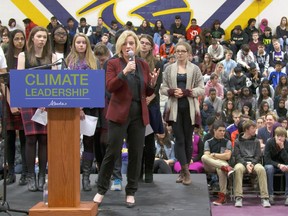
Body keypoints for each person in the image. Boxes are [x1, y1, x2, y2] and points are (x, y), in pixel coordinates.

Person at [93, 30, 159, 207]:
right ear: (120, 46)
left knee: (136, 154)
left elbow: (146, 91)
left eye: (132, 43)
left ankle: (131, 191)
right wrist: (123, 72)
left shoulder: (143, 64)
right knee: (112, 151)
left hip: (138, 113)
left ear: (135, 46)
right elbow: (110, 87)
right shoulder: (112, 63)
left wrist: (152, 84)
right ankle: (101, 189)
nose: (129, 46)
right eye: (125, 43)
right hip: (118, 113)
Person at [17, 26, 57, 191]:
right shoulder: (23, 55)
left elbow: (55, 82)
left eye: (44, 37)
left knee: (44, 139)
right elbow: (20, 80)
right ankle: (30, 177)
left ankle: (42, 176)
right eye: (39, 36)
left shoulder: (52, 56)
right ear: (32, 38)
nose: (42, 39)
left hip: (47, 103)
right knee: (31, 139)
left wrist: (47, 101)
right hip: (29, 101)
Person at [161, 41, 204, 185]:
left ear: (188, 53)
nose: (180, 53)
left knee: (188, 140)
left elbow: (201, 89)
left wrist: (186, 92)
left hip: (190, 108)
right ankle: (186, 172)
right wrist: (172, 91)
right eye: (177, 51)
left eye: (183, 51)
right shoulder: (168, 69)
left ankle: (183, 171)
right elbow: (163, 88)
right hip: (174, 108)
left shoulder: (195, 69)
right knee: (179, 139)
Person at [66, 32, 97, 191]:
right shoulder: (67, 62)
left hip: (90, 107)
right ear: (74, 44)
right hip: (71, 106)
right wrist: (77, 106)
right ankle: (70, 175)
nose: (81, 45)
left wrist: (83, 107)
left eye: (83, 43)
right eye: (78, 42)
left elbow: (94, 86)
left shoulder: (93, 62)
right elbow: (67, 86)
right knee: (70, 142)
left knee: (88, 142)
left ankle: (86, 177)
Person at [138, 34, 163, 183]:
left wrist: (148, 99)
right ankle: (137, 172)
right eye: (142, 42)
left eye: (147, 43)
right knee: (135, 140)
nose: (144, 45)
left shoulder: (157, 63)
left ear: (152, 46)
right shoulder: (132, 60)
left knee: (149, 141)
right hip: (136, 104)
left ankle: (148, 172)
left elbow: (158, 84)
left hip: (151, 104)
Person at [3, 29, 27, 185]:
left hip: (25, 100)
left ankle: (26, 172)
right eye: (16, 39)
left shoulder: (27, 58)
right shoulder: (5, 59)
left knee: (26, 138)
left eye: (22, 39)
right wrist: (12, 103)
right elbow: (2, 83)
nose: (19, 41)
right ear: (11, 41)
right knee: (9, 137)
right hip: (8, 100)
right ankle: (10, 171)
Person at [233, 120, 271, 208]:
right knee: (237, 168)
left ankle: (265, 198)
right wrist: (246, 164)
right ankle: (238, 197)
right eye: (253, 128)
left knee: (261, 169)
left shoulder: (257, 141)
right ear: (246, 129)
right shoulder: (237, 141)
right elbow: (237, 156)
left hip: (254, 162)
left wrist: (252, 164)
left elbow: (258, 155)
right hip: (242, 163)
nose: (255, 130)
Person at [201, 120, 234, 206]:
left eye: (224, 131)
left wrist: (214, 154)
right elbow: (206, 156)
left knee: (221, 170)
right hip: (210, 165)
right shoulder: (208, 142)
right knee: (203, 157)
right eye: (220, 130)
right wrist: (221, 156)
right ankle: (226, 168)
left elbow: (228, 156)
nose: (222, 132)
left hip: (222, 165)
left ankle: (222, 197)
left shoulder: (228, 142)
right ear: (214, 130)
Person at [264, 126, 288, 206]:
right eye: (278, 136)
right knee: (269, 168)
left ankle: (287, 196)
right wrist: (279, 165)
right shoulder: (269, 143)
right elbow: (267, 160)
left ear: (285, 137)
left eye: (282, 136)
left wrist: (282, 149)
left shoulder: (287, 144)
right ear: (275, 136)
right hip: (272, 166)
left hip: (284, 167)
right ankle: (270, 195)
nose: (280, 138)